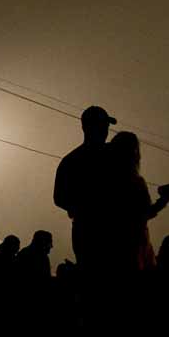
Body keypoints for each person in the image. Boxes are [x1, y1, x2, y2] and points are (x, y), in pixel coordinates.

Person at [100, 131, 169, 275]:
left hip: (105, 247)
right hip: (132, 248)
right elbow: (144, 214)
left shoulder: (101, 179)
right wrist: (165, 199)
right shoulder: (135, 182)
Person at [54, 106, 115, 272]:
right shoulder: (110, 157)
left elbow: (59, 199)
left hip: (99, 231)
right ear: (88, 127)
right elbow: (59, 198)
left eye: (106, 127)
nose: (106, 131)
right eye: (102, 126)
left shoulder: (72, 160)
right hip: (93, 232)